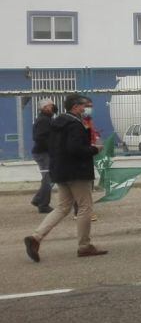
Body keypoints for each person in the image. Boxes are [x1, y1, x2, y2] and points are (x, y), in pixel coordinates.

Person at [23, 94, 108, 261]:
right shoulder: (75, 125)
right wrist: (94, 150)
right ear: (76, 106)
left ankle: (36, 237)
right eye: (85, 105)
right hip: (77, 171)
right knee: (85, 207)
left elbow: (55, 147)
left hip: (60, 170)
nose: (87, 109)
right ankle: (84, 246)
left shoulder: (57, 122)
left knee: (62, 207)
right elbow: (76, 148)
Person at [30, 100, 56, 213]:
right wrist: (51, 148)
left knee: (49, 177)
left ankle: (38, 199)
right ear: (45, 108)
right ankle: (43, 205)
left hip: (43, 152)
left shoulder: (46, 119)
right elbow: (40, 138)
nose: (53, 107)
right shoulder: (43, 120)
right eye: (51, 106)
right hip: (43, 153)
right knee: (48, 179)